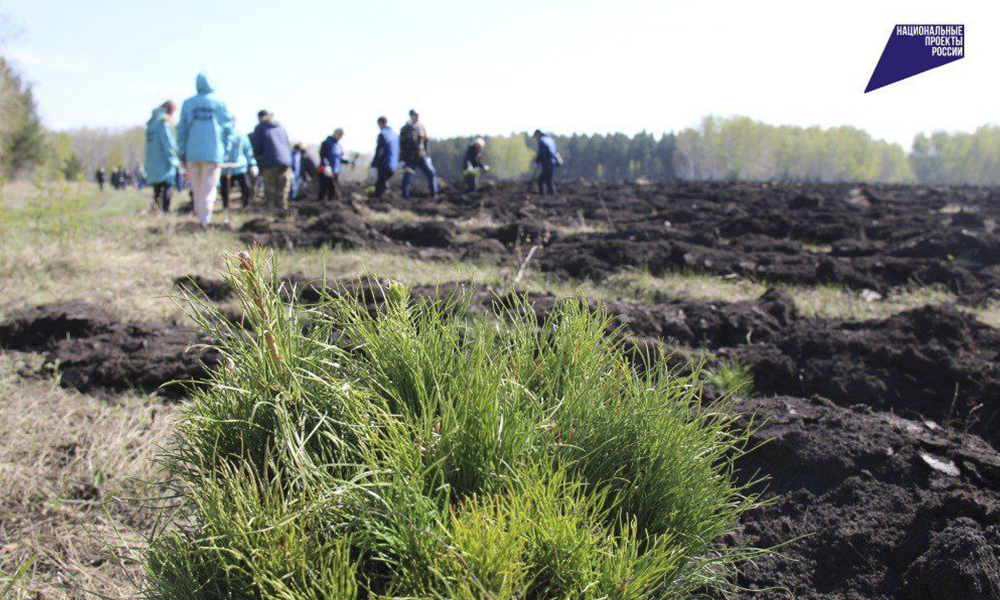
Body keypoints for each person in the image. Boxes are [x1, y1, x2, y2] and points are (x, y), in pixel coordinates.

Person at [176, 72, 234, 226]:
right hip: (213, 153)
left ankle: (200, 216)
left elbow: (182, 130)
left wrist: (182, 151)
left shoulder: (188, 103)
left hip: (192, 153)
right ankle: (204, 219)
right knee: (208, 187)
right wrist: (226, 150)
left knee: (197, 187)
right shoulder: (220, 103)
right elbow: (228, 129)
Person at [249, 110, 293, 211]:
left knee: (270, 190)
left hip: (269, 163)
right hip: (285, 162)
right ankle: (283, 211)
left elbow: (257, 147)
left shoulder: (260, 127)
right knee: (283, 189)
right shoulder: (281, 127)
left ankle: (270, 212)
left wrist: (257, 158)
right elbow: (287, 144)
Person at [143, 100, 180, 212]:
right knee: (168, 184)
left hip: (152, 159)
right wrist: (174, 158)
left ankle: (156, 208)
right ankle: (166, 209)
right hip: (164, 160)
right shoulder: (163, 122)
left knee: (157, 187)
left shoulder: (151, 122)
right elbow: (168, 143)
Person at [399, 109, 438, 198]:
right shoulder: (405, 129)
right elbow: (401, 145)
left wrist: (428, 156)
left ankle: (434, 195)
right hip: (410, 157)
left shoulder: (421, 127)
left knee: (431, 172)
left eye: (417, 115)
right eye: (415, 115)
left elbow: (425, 142)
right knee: (407, 176)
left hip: (421, 156)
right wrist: (402, 160)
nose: (417, 117)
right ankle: (404, 196)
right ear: (411, 116)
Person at [221, 120, 258, 211]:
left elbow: (248, 150)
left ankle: (245, 206)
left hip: (240, 168)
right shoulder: (220, 135)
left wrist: (252, 164)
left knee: (246, 187)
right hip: (225, 169)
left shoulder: (241, 135)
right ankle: (226, 207)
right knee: (225, 190)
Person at [318, 128, 352, 201]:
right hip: (325, 170)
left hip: (335, 171)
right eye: (339, 135)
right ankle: (319, 204)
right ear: (335, 134)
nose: (340, 137)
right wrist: (326, 166)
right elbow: (323, 156)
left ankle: (330, 204)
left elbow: (339, 158)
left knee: (332, 190)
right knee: (323, 189)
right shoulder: (326, 143)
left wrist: (349, 161)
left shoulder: (338, 146)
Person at [370, 116, 399, 198]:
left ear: (380, 123)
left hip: (384, 165)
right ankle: (386, 195)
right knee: (383, 183)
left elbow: (379, 151)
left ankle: (379, 200)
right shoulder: (395, 134)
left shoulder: (383, 134)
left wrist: (373, 165)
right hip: (393, 165)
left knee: (379, 187)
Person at [533, 129, 561, 195]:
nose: (536, 138)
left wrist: (537, 161)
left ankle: (550, 196)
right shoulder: (549, 139)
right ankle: (546, 195)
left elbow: (542, 153)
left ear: (537, 134)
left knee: (546, 181)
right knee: (542, 180)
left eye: (535, 136)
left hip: (547, 163)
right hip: (552, 162)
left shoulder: (542, 141)